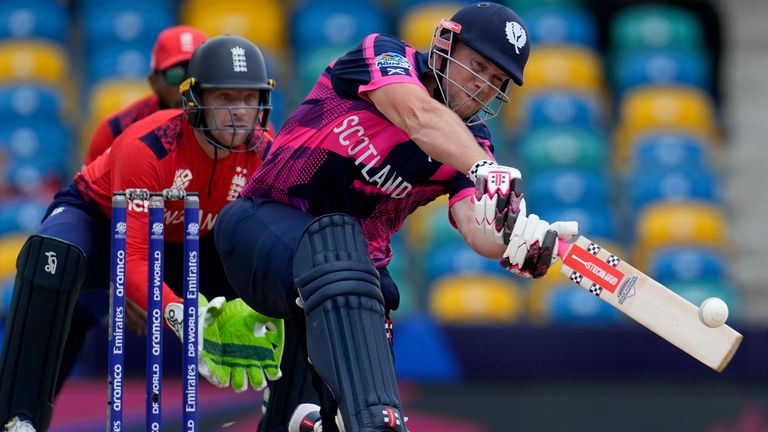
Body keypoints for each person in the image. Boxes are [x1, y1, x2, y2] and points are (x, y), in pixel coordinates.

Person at [214, 2, 579, 431]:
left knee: (311, 410)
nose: (483, 86)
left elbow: (473, 224)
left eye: (496, 80)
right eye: (477, 65)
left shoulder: (474, 144)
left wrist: (515, 240)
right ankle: (375, 421)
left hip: (346, 290)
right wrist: (482, 169)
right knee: (340, 249)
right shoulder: (386, 56)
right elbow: (418, 116)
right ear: (445, 45)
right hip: (261, 229)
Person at [0, 35, 284, 432]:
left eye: (248, 98)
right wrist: (183, 314)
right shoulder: (146, 144)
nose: (238, 113)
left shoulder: (267, 154)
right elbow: (130, 257)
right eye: (223, 98)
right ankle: (19, 417)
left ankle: (294, 411)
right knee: (51, 258)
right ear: (193, 99)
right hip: (104, 226)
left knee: (288, 274)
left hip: (192, 239)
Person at [83, 25, 208, 164]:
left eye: (196, 74)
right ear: (153, 81)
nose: (187, 85)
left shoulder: (227, 127)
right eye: (175, 75)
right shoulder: (115, 131)